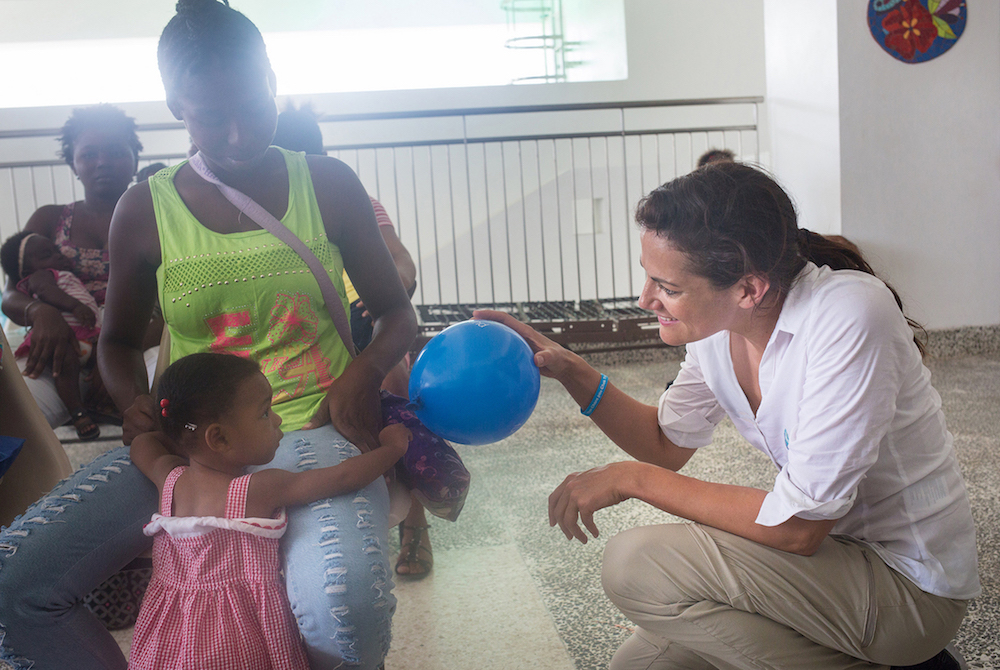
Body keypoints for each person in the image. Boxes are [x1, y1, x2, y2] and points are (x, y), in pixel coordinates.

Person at [0, 1, 416, 668]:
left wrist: (360, 377)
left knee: (345, 602)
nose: (234, 133)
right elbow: (116, 341)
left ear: (273, 79)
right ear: (174, 105)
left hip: (310, 425)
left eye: (252, 105)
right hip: (188, 443)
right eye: (208, 115)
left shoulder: (329, 185)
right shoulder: (145, 208)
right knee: (16, 583)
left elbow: (399, 313)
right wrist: (134, 401)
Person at [477, 161, 979, 670]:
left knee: (635, 565)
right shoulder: (720, 330)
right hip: (825, 569)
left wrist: (630, 480)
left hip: (907, 589)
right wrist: (571, 370)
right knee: (638, 666)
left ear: (748, 289)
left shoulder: (849, 313)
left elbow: (798, 527)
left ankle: (913, 663)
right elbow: (665, 442)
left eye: (666, 287)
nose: (644, 299)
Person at [129, 352, 410, 670]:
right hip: (238, 641)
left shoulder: (169, 478)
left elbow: (142, 445)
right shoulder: (255, 490)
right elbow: (343, 477)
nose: (277, 420)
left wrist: (178, 433)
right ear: (219, 438)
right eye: (265, 413)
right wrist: (392, 449)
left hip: (173, 638)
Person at [272, 105, 432, 578]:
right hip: (295, 353)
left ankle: (415, 523)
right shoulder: (246, 219)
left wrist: (390, 287)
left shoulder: (350, 198)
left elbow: (401, 262)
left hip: (367, 337)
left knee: (400, 399)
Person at [0, 104, 158, 428]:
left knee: (171, 410)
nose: (102, 162)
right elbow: (10, 295)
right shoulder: (48, 219)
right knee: (13, 422)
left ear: (134, 160)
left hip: (140, 350)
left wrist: (116, 354)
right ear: (74, 163)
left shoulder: (158, 220)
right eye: (88, 154)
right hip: (61, 353)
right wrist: (40, 312)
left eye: (115, 152)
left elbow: (175, 303)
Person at [1, 232, 102, 438]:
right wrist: (74, 306)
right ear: (27, 270)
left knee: (100, 362)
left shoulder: (64, 275)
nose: (57, 256)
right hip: (62, 338)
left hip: (86, 339)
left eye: (56, 251)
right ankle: (78, 412)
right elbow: (46, 291)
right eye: (48, 254)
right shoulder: (42, 276)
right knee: (64, 366)